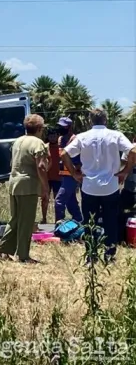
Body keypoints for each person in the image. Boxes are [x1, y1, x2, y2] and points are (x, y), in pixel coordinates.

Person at [61, 108, 136, 264]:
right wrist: (125, 171)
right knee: (111, 221)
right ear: (106, 120)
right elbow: (133, 150)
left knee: (90, 222)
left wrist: (75, 173)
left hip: (89, 185)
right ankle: (109, 255)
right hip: (111, 185)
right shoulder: (116, 135)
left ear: (90, 121)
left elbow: (64, 154)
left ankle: (91, 254)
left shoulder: (82, 137)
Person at [0, 114, 48, 264]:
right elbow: (41, 167)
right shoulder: (38, 143)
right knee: (26, 221)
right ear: (39, 128)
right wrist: (45, 187)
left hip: (14, 183)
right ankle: (23, 255)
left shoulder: (18, 141)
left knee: (15, 219)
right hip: (28, 185)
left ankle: (3, 250)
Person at [54, 117, 83, 223]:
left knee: (59, 200)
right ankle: (79, 220)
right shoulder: (61, 139)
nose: (60, 128)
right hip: (63, 174)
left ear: (69, 127)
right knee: (71, 201)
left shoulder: (75, 139)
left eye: (63, 126)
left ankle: (59, 223)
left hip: (72, 175)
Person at [41, 129, 62, 224]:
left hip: (58, 178)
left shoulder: (61, 148)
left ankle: (58, 220)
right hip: (47, 178)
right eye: (51, 135)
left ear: (57, 135)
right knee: (45, 199)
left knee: (58, 200)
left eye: (54, 135)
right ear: (48, 136)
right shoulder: (45, 147)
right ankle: (44, 218)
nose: (52, 137)